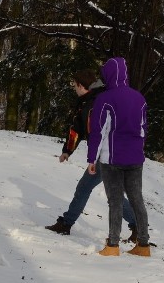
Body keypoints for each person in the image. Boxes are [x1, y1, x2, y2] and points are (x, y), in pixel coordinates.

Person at [45, 69, 137, 240]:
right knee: (105, 191)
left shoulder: (99, 102)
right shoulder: (85, 103)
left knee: (90, 189)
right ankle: (137, 227)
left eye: (74, 85)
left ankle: (66, 224)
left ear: (81, 85)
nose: (73, 88)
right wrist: (67, 150)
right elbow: (77, 129)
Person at [87, 57, 151, 257]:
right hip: (135, 159)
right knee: (137, 200)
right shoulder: (139, 98)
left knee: (115, 201)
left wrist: (92, 159)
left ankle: (113, 245)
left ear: (108, 74)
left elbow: (98, 131)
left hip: (112, 159)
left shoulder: (104, 99)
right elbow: (143, 129)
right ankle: (143, 245)